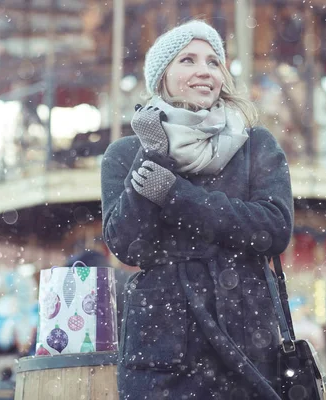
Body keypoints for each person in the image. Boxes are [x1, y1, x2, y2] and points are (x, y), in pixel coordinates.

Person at [101, 20, 293, 399]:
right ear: (163, 78)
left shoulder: (255, 144)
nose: (204, 71)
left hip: (246, 339)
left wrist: (176, 196)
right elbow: (127, 244)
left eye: (213, 62)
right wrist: (154, 152)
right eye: (187, 60)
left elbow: (273, 228)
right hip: (161, 349)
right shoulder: (125, 154)